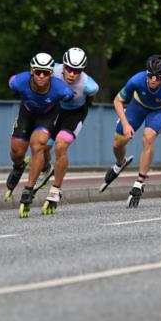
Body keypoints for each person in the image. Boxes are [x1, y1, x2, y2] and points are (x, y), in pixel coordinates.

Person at [99, 54, 161, 208]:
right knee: (117, 144)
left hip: (159, 111)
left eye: (158, 78)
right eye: (150, 76)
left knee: (148, 137)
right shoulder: (137, 80)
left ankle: (139, 183)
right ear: (146, 74)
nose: (153, 80)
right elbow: (117, 100)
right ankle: (120, 163)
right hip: (137, 107)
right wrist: (126, 124)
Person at [5, 53, 74, 215]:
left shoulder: (61, 90)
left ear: (51, 74)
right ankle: (18, 167)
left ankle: (28, 190)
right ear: (31, 71)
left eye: (46, 72)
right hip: (26, 114)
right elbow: (11, 81)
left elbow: (72, 101)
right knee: (17, 152)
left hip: (47, 116)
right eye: (38, 72)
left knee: (38, 145)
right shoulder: (17, 82)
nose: (41, 76)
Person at [41, 47, 99, 215]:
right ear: (63, 66)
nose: (72, 74)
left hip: (75, 114)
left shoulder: (89, 85)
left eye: (77, 71)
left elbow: (90, 100)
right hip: (56, 110)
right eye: (69, 69)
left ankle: (56, 189)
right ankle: (46, 169)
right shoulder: (52, 70)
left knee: (60, 146)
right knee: (43, 147)